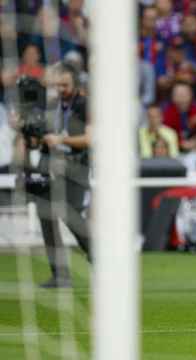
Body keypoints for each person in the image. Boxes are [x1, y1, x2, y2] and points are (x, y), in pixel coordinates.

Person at [25, 63, 92, 288]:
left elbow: (90, 139)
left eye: (65, 84)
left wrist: (61, 140)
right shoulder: (48, 106)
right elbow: (36, 141)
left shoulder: (85, 105)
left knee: (71, 215)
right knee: (47, 217)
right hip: (48, 164)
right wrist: (27, 130)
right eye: (58, 84)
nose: (61, 88)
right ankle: (60, 275)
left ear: (75, 84)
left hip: (75, 165)